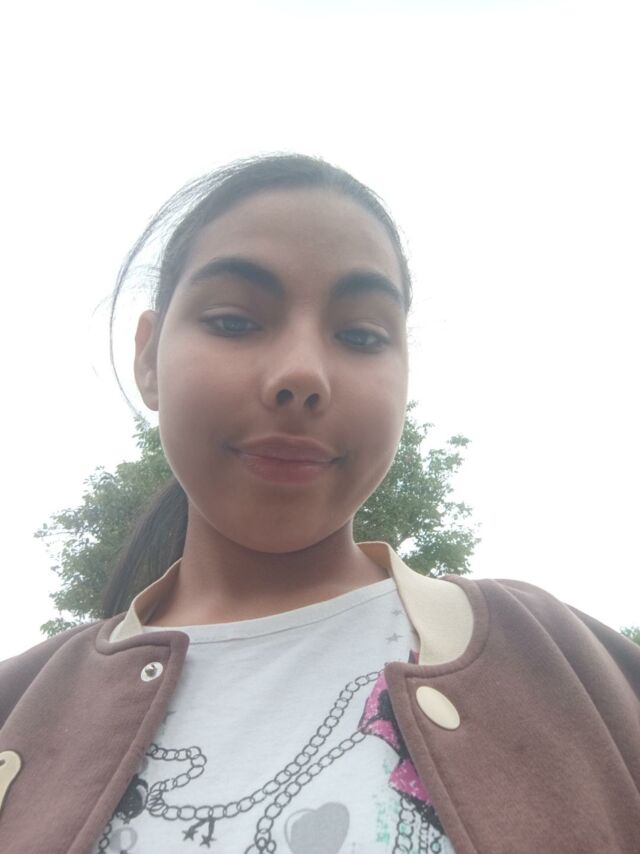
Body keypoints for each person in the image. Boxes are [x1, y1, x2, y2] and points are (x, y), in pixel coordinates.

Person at [0, 155, 638, 854]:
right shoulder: (18, 705)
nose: (302, 374)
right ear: (149, 359)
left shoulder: (562, 659)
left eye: (361, 336)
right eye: (234, 321)